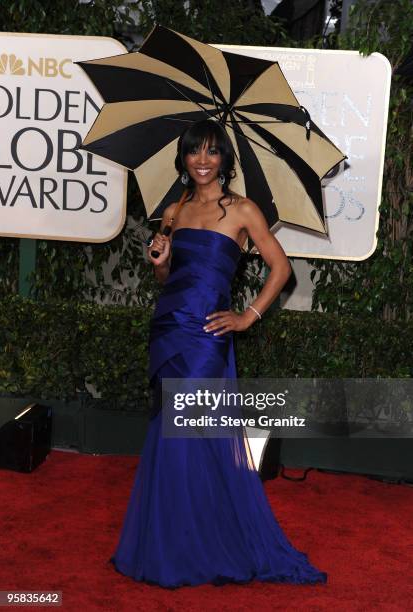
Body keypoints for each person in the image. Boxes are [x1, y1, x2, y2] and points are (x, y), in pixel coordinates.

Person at [109, 119, 327, 588]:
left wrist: (249, 316)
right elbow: (167, 280)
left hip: (208, 335)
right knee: (170, 432)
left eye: (211, 152)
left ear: (225, 159)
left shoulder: (244, 210)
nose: (202, 161)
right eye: (194, 153)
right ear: (184, 160)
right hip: (168, 330)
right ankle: (173, 540)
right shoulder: (175, 209)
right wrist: (162, 261)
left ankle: (203, 542)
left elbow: (281, 267)